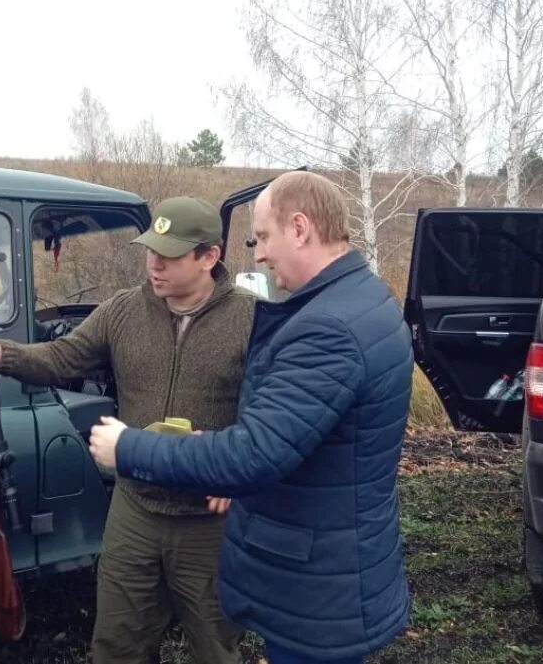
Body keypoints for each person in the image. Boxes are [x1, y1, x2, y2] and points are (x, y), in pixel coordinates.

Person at [90, 171, 414, 664]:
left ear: (300, 228)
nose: (258, 254)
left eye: (263, 237)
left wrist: (129, 447)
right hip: (340, 565)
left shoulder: (327, 327)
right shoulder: (367, 300)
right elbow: (297, 437)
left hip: (318, 587)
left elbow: (253, 455)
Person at [0, 197, 255, 664]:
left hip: (209, 523)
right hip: (135, 511)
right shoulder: (124, 310)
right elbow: (62, 357)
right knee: (117, 645)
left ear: (209, 257)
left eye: (169, 256)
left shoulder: (251, 320)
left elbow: (267, 415)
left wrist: (239, 473)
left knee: (216, 647)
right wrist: (2, 353)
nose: (154, 265)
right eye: (151, 250)